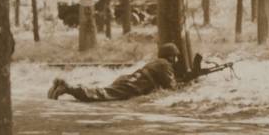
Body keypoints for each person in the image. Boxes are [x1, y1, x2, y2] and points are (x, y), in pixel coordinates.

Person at [47, 42, 188, 102]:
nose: (176, 59)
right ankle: (67, 87)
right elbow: (172, 88)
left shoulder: (158, 62)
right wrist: (188, 85)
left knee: (101, 91)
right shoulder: (165, 65)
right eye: (175, 56)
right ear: (170, 56)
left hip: (130, 80)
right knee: (101, 95)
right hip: (133, 84)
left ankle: (64, 86)